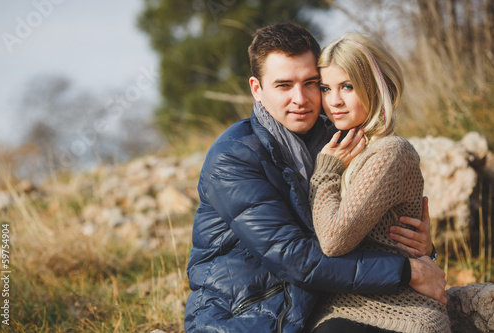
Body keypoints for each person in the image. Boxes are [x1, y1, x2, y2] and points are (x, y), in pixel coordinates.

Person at [184, 22, 446, 333]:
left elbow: (361, 225)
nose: (301, 99)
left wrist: (419, 248)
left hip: (323, 307)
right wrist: (407, 270)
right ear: (257, 89)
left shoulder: (340, 137)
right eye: (284, 85)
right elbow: (294, 258)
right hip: (248, 314)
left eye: (311, 83)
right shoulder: (233, 158)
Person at [307, 32, 450, 332]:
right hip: (340, 307)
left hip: (403, 311)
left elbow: (333, 241)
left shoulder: (389, 153)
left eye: (347, 86)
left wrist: (326, 173)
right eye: (325, 88)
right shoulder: (336, 143)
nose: (334, 101)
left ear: (375, 85)